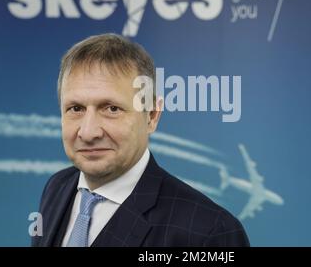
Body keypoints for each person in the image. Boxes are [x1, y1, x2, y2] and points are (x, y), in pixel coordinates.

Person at [31, 33, 250, 247]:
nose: (88, 133)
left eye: (112, 109)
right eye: (75, 108)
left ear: (152, 116)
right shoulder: (57, 187)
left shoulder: (209, 233)